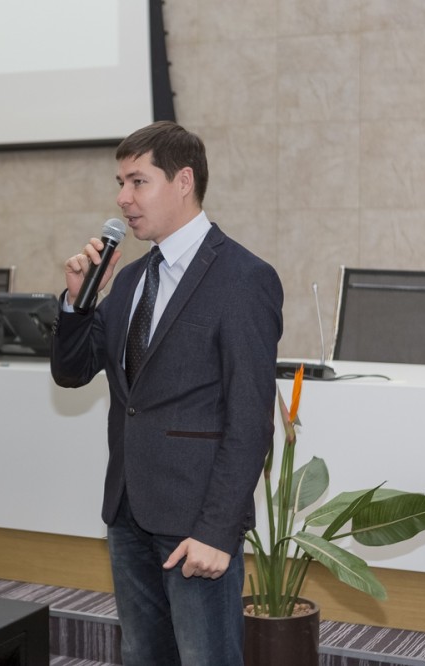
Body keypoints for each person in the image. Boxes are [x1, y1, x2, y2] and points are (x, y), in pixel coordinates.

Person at [51, 121, 283, 665]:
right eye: (120, 183)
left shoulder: (243, 278)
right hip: (127, 513)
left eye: (138, 181)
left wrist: (217, 531)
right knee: (142, 656)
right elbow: (72, 373)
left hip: (195, 524)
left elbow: (250, 419)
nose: (122, 198)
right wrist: (78, 304)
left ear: (183, 181)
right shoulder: (130, 279)